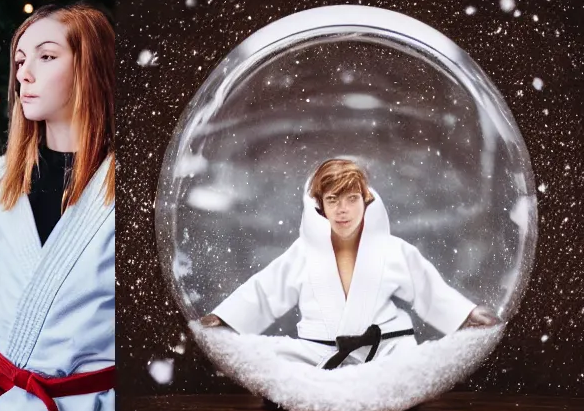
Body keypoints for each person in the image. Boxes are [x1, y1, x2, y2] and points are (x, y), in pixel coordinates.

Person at [0, 2, 114, 411]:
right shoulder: (0, 177)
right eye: (20, 60)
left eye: (46, 57)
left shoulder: (126, 188)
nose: (24, 73)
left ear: (88, 67)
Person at [198, 157, 497, 367]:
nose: (343, 210)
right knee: (273, 360)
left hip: (384, 347)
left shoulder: (391, 250)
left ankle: (395, 383)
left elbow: (428, 290)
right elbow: (264, 292)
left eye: (352, 198)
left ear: (365, 201)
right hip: (318, 350)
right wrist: (226, 317)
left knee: (413, 364)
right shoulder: (303, 253)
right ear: (319, 205)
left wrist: (465, 314)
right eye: (333, 200)